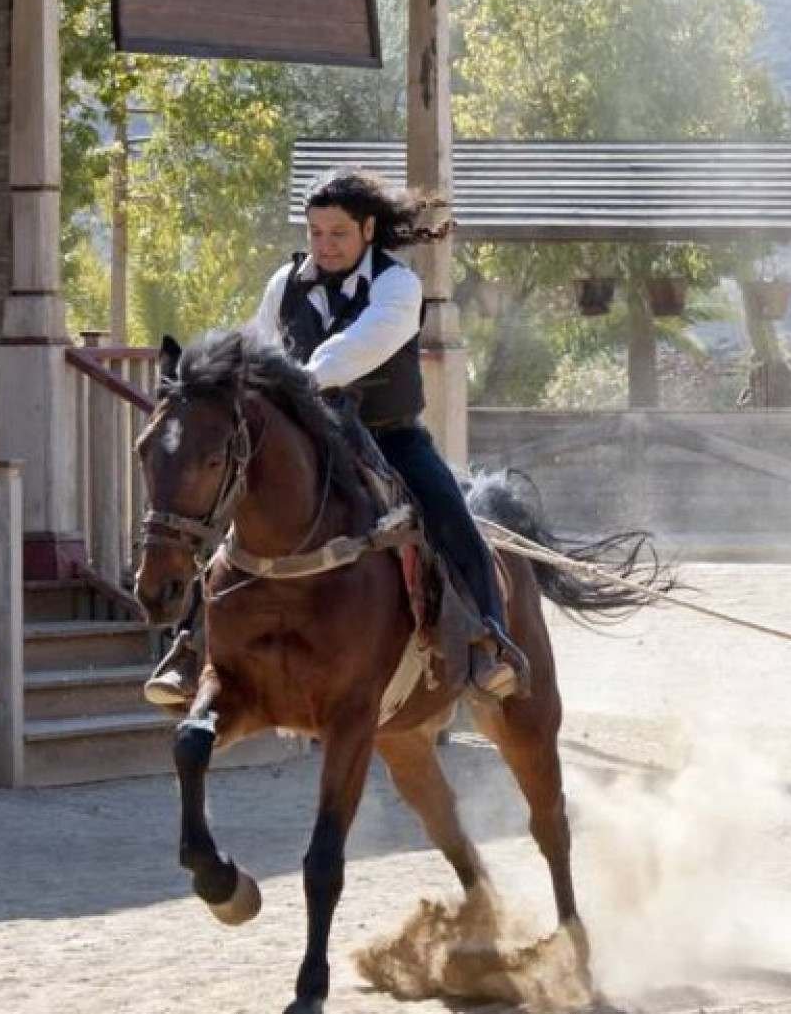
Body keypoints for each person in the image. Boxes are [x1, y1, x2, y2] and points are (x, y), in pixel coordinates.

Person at [143, 169, 528, 704]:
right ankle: (190, 650)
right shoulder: (284, 284)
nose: (324, 245)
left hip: (388, 438)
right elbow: (257, 345)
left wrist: (293, 381)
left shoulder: (399, 286)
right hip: (307, 441)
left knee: (449, 515)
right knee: (223, 509)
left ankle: (489, 642)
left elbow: (357, 348)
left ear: (368, 229)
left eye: (338, 234)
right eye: (316, 233)